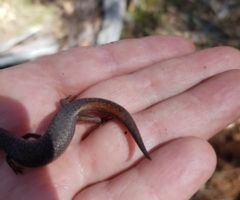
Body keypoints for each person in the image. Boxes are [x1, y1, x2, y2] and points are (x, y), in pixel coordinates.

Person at [0, 35, 239, 199]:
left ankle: (94, 117)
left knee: (74, 114)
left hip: (65, 119)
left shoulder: (14, 155)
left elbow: (18, 153)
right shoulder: (14, 149)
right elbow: (26, 139)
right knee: (71, 113)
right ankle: (90, 115)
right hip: (64, 118)